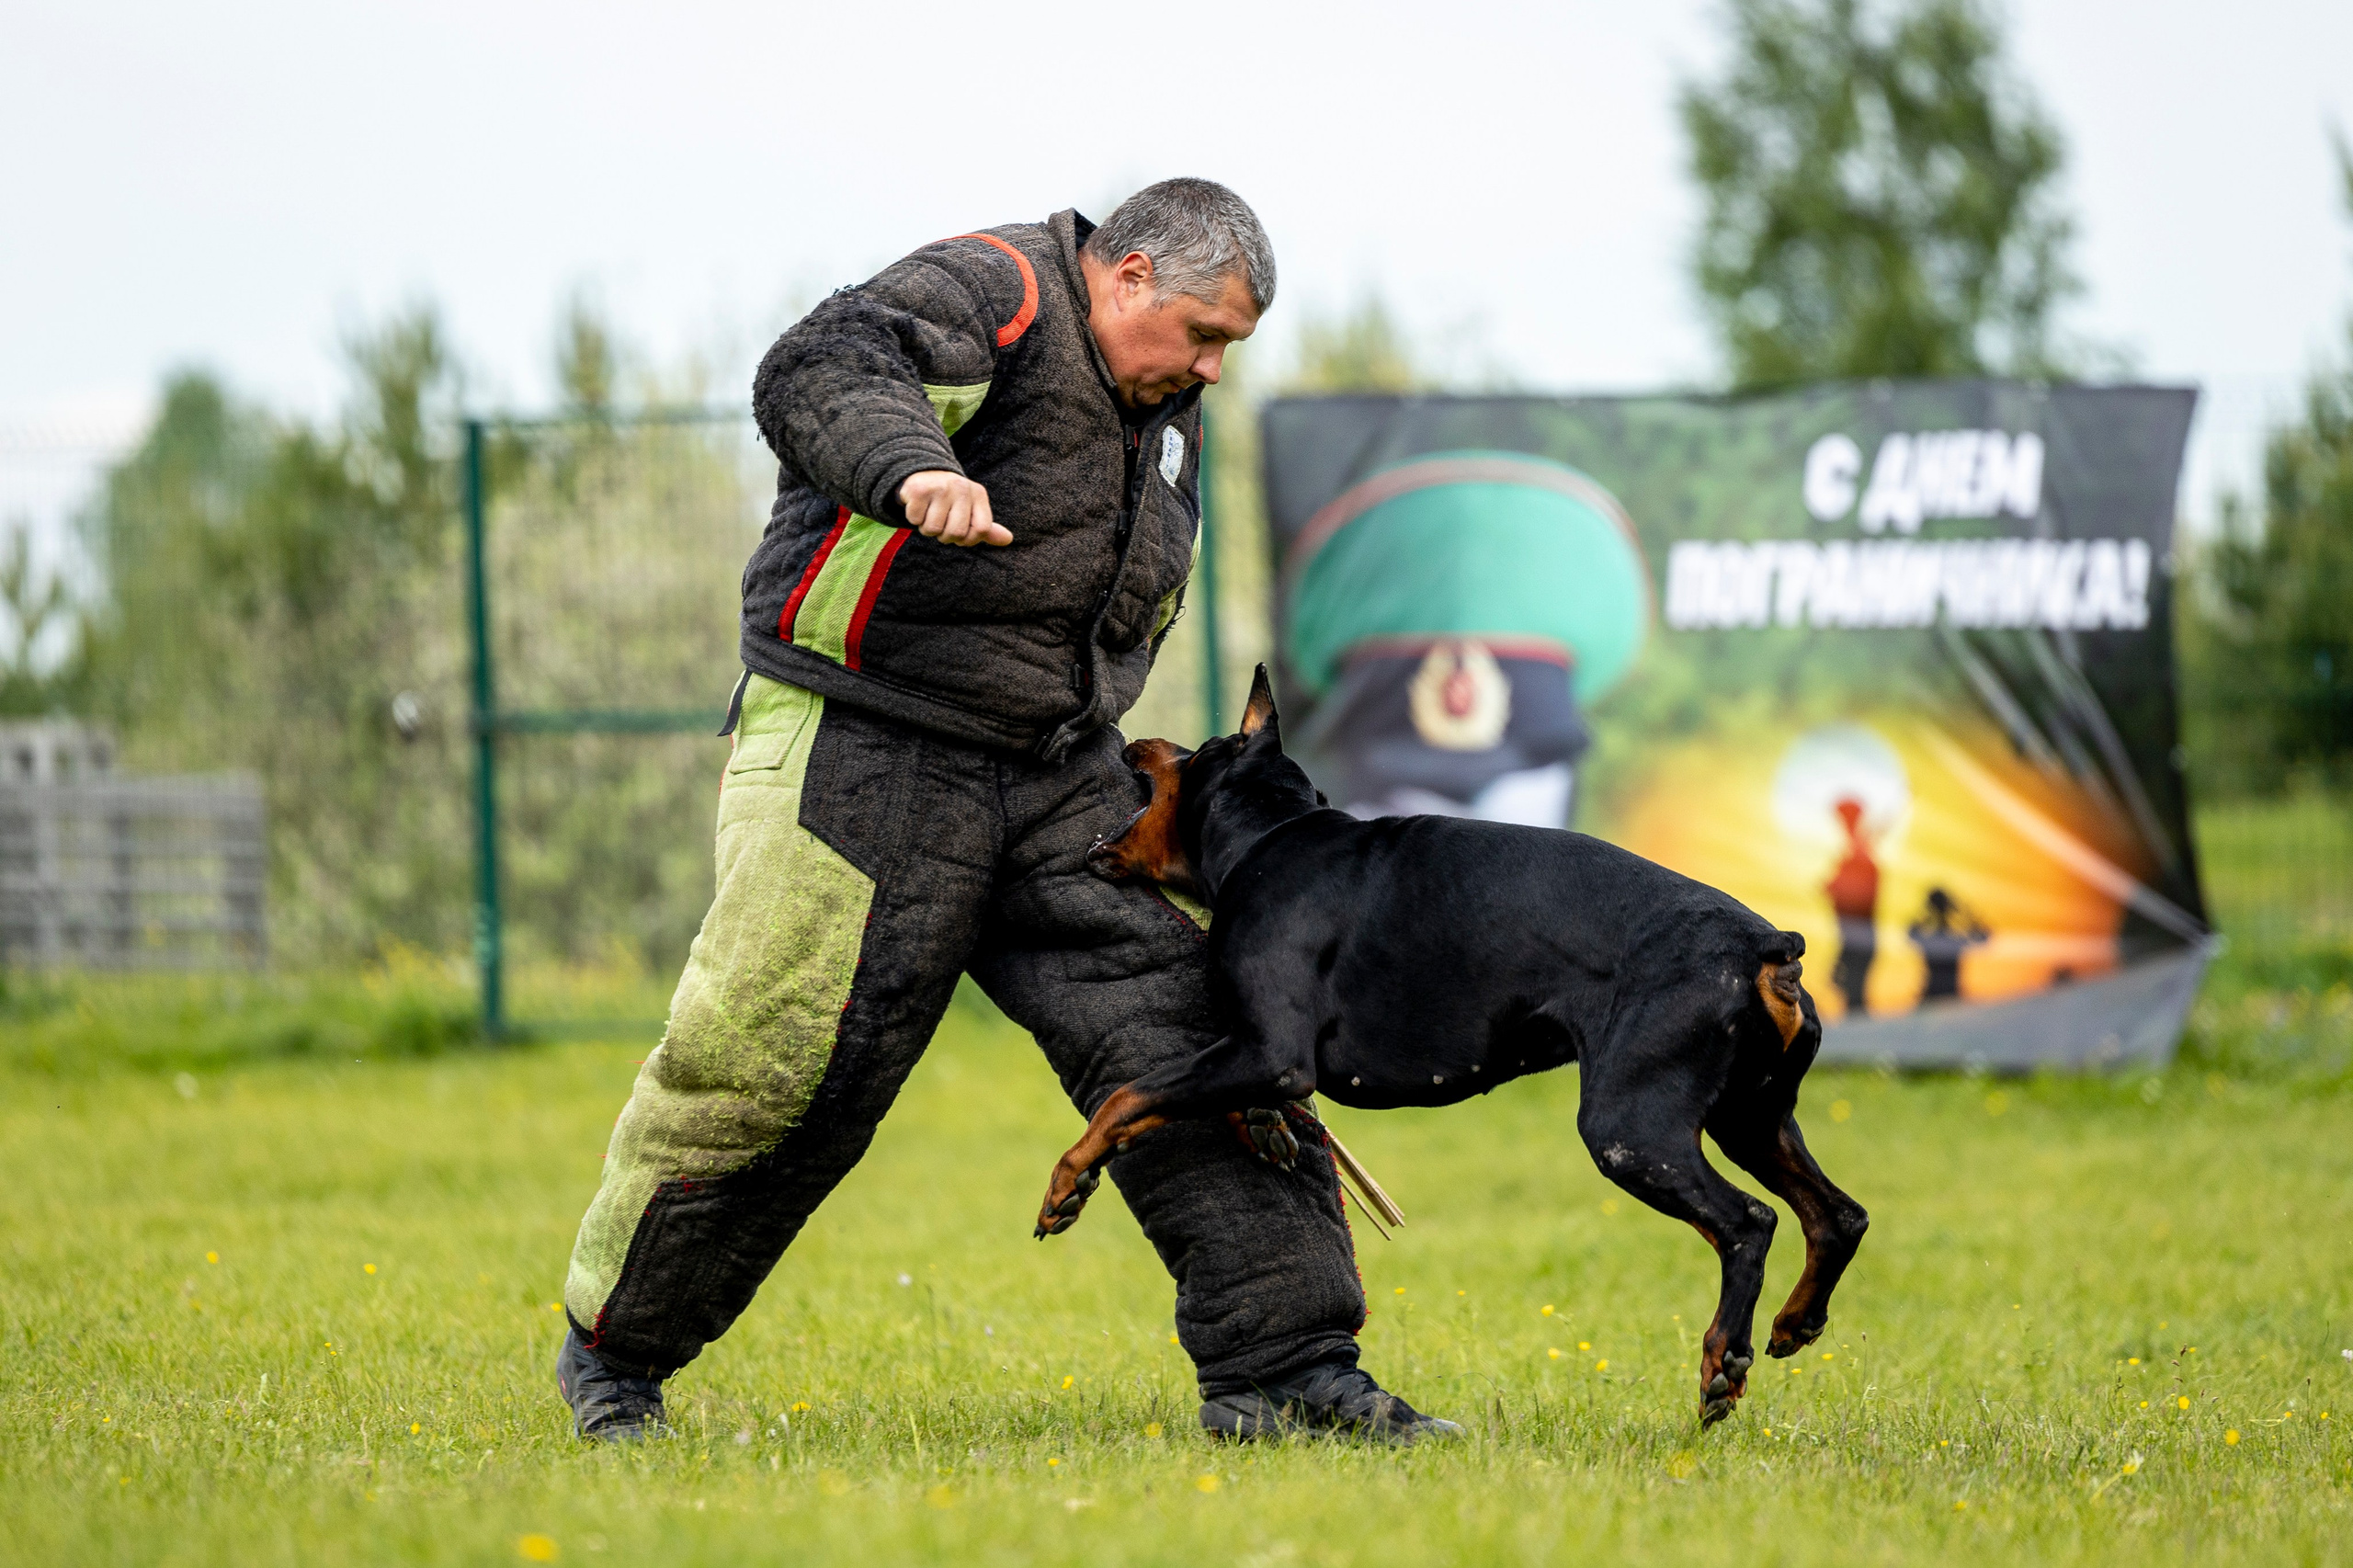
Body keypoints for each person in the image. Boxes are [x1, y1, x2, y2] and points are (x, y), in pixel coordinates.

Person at [552, 179, 1457, 1446]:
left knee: (1204, 1031)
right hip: (863, 736)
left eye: (1229, 351)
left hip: (1055, 769)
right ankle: (615, 1355)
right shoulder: (998, 291)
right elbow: (821, 364)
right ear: (1127, 273)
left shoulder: (1169, 415)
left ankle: (1291, 1365)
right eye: (1200, 334)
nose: (1208, 368)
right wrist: (914, 466)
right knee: (784, 1060)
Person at [1823, 797, 1880, 1017]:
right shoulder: (1856, 849)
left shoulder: (1860, 852)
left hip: (1859, 938)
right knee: (1850, 994)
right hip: (1852, 937)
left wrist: (1836, 887)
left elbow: (1861, 894)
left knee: (1854, 998)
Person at [1908, 886, 1990, 1004]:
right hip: (1950, 995)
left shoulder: (1931, 940)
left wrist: (1924, 914)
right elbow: (1983, 938)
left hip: (1934, 995)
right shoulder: (1956, 940)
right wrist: (1966, 916)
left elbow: (1911, 934)